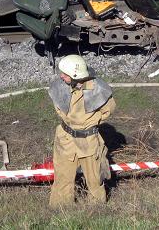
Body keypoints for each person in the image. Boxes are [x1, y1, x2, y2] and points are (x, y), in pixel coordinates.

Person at [48, 54, 116, 207]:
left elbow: (108, 110)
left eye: (65, 74)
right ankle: (61, 209)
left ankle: (96, 211)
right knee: (63, 178)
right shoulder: (60, 85)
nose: (61, 76)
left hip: (89, 142)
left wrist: (89, 123)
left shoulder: (98, 89)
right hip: (65, 139)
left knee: (95, 179)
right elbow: (58, 107)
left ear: (75, 75)